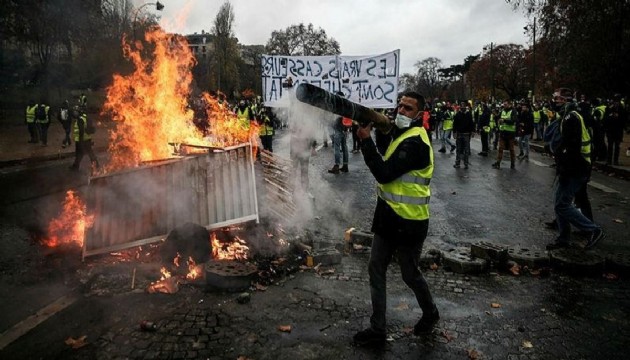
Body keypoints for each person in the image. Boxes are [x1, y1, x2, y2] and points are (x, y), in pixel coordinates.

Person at [353, 91, 439, 346]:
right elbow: (386, 152)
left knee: (409, 274)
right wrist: (378, 131)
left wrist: (365, 141)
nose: (401, 111)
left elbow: (384, 172)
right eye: (400, 106)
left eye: (408, 108)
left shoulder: (416, 143)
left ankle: (431, 313)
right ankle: (378, 329)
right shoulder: (401, 135)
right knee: (376, 267)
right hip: (389, 217)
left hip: (410, 222)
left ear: (420, 114)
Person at [546, 88, 604, 250]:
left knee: (562, 204)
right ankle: (563, 238)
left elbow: (571, 147)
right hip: (574, 167)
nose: (554, 102)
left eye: (557, 99)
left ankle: (592, 229)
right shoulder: (569, 115)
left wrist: (564, 168)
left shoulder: (571, 118)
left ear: (565, 100)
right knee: (560, 203)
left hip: (575, 168)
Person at [69, 105, 100, 172]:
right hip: (86, 139)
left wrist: (80, 142)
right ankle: (96, 165)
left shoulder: (80, 119)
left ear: (78, 112)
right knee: (87, 153)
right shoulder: (84, 117)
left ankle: (76, 167)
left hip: (82, 140)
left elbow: (81, 131)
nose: (74, 113)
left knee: (81, 153)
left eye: (75, 112)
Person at [492, 100, 518, 169]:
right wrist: (495, 116)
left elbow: (513, 121)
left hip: (510, 133)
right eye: (504, 104)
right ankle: (498, 162)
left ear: (510, 104)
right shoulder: (502, 110)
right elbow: (498, 117)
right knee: (500, 148)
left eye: (506, 104)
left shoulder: (513, 111)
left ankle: (512, 163)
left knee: (511, 149)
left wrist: (504, 121)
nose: (504, 106)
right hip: (503, 132)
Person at [603, 94, 628, 166]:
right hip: (610, 130)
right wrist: (611, 116)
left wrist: (618, 117)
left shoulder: (622, 110)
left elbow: (624, 120)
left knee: (617, 146)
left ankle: (615, 161)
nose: (616, 103)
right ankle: (609, 160)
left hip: (618, 130)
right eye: (615, 101)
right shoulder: (609, 109)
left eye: (617, 101)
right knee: (610, 145)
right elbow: (605, 119)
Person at [452, 101, 475, 168]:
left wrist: (473, 131)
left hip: (466, 134)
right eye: (461, 105)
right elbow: (455, 124)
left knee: (466, 150)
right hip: (459, 134)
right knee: (458, 149)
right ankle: (457, 163)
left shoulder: (468, 114)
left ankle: (466, 163)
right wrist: (454, 132)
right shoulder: (457, 114)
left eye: (463, 105)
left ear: (465, 106)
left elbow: (471, 123)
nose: (462, 107)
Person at [328, 106, 350, 174]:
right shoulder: (346, 107)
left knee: (337, 148)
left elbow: (334, 120)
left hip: (338, 130)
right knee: (344, 148)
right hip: (344, 130)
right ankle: (345, 165)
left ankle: (336, 166)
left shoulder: (338, 108)